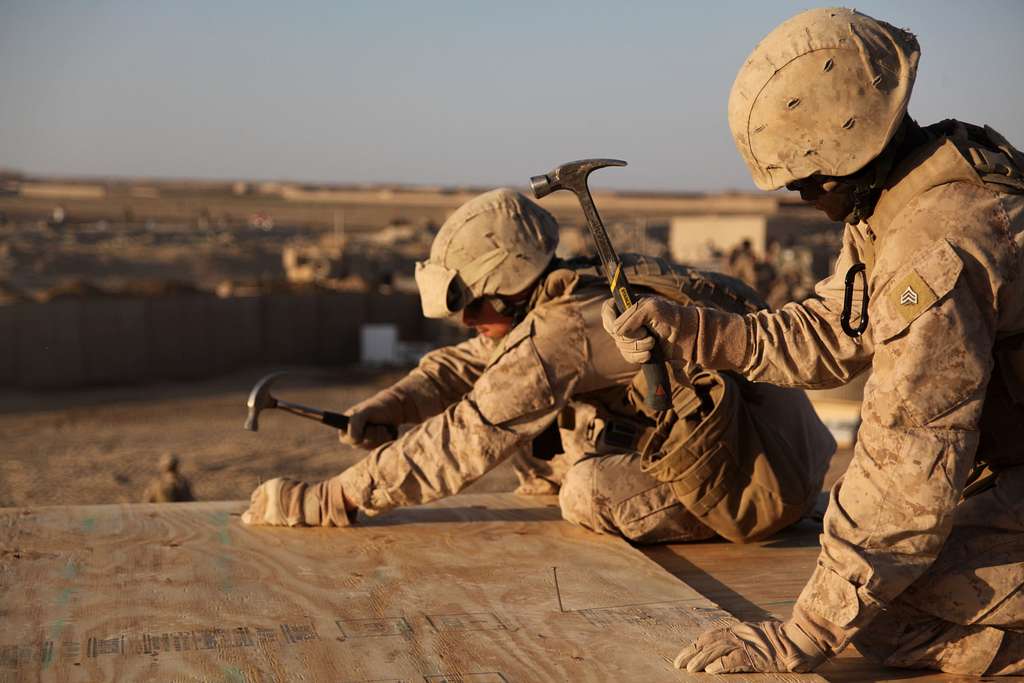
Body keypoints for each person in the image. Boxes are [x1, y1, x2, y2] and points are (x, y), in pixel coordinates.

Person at [602, 7, 1024, 676]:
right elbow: (834, 329)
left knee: (887, 614)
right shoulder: (903, 191)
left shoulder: (933, 240)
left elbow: (906, 464)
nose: (801, 200)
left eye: (803, 181)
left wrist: (803, 632)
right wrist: (690, 331)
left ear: (847, 153)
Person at [242, 188, 835, 546]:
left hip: (761, 478)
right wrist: (390, 405)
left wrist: (331, 499)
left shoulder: (562, 331)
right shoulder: (574, 288)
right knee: (545, 429)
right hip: (768, 446)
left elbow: (464, 437)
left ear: (505, 289)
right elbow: (471, 364)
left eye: (473, 306)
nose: (469, 321)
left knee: (586, 490)